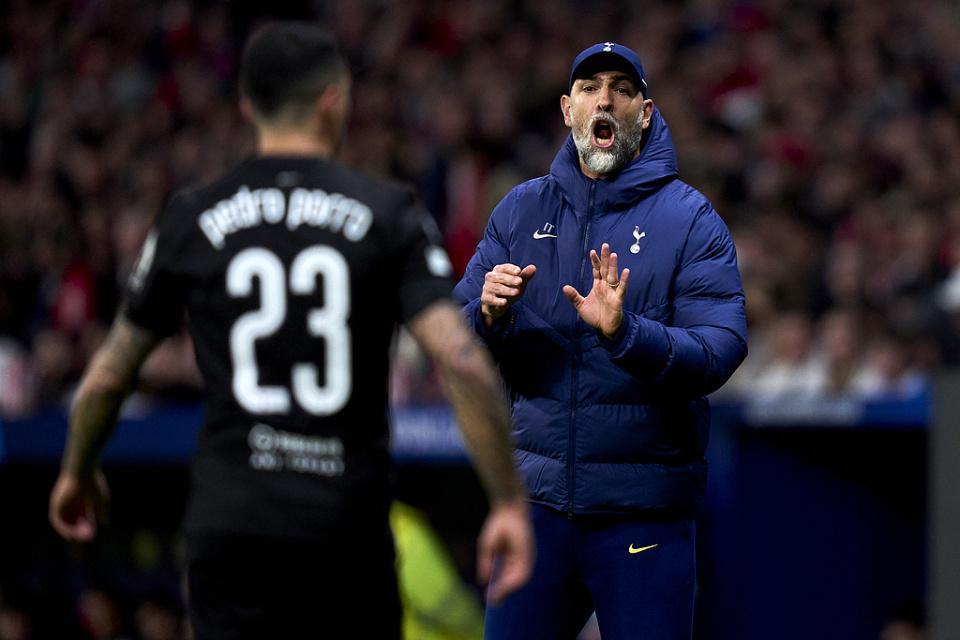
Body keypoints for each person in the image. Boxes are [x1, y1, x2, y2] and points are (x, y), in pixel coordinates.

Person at [48, 21, 533, 640]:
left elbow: (109, 375)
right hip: (345, 530)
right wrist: (507, 501)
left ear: (248, 105)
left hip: (231, 528)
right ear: (333, 99)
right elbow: (461, 359)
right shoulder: (390, 214)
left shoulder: (191, 217)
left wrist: (77, 470)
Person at [453, 42, 748, 639]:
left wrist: (625, 332)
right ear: (568, 110)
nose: (605, 99)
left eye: (622, 88)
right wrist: (485, 314)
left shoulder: (691, 220)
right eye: (590, 88)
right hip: (537, 509)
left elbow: (720, 348)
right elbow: (454, 331)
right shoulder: (518, 211)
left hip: (644, 517)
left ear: (645, 112)